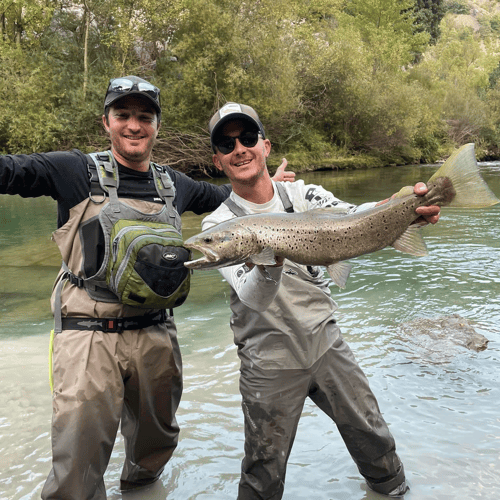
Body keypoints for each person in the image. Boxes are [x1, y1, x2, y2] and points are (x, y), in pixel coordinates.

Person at [0, 78, 293, 499]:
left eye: (144, 117)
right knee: (77, 468)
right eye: (123, 115)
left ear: (157, 126)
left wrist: (267, 183)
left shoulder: (175, 184)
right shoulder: (71, 170)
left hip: (157, 335)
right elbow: (9, 171)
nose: (134, 126)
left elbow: (231, 200)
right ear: (106, 123)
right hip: (87, 336)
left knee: (156, 448)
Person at [202, 102, 441, 499]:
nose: (239, 149)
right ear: (217, 160)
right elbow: (253, 297)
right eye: (227, 144)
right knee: (263, 471)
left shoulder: (302, 193)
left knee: (375, 439)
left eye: (247, 138)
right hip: (268, 360)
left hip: (326, 342)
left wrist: (405, 208)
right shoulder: (217, 226)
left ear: (266, 146)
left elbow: (354, 215)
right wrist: (268, 259)